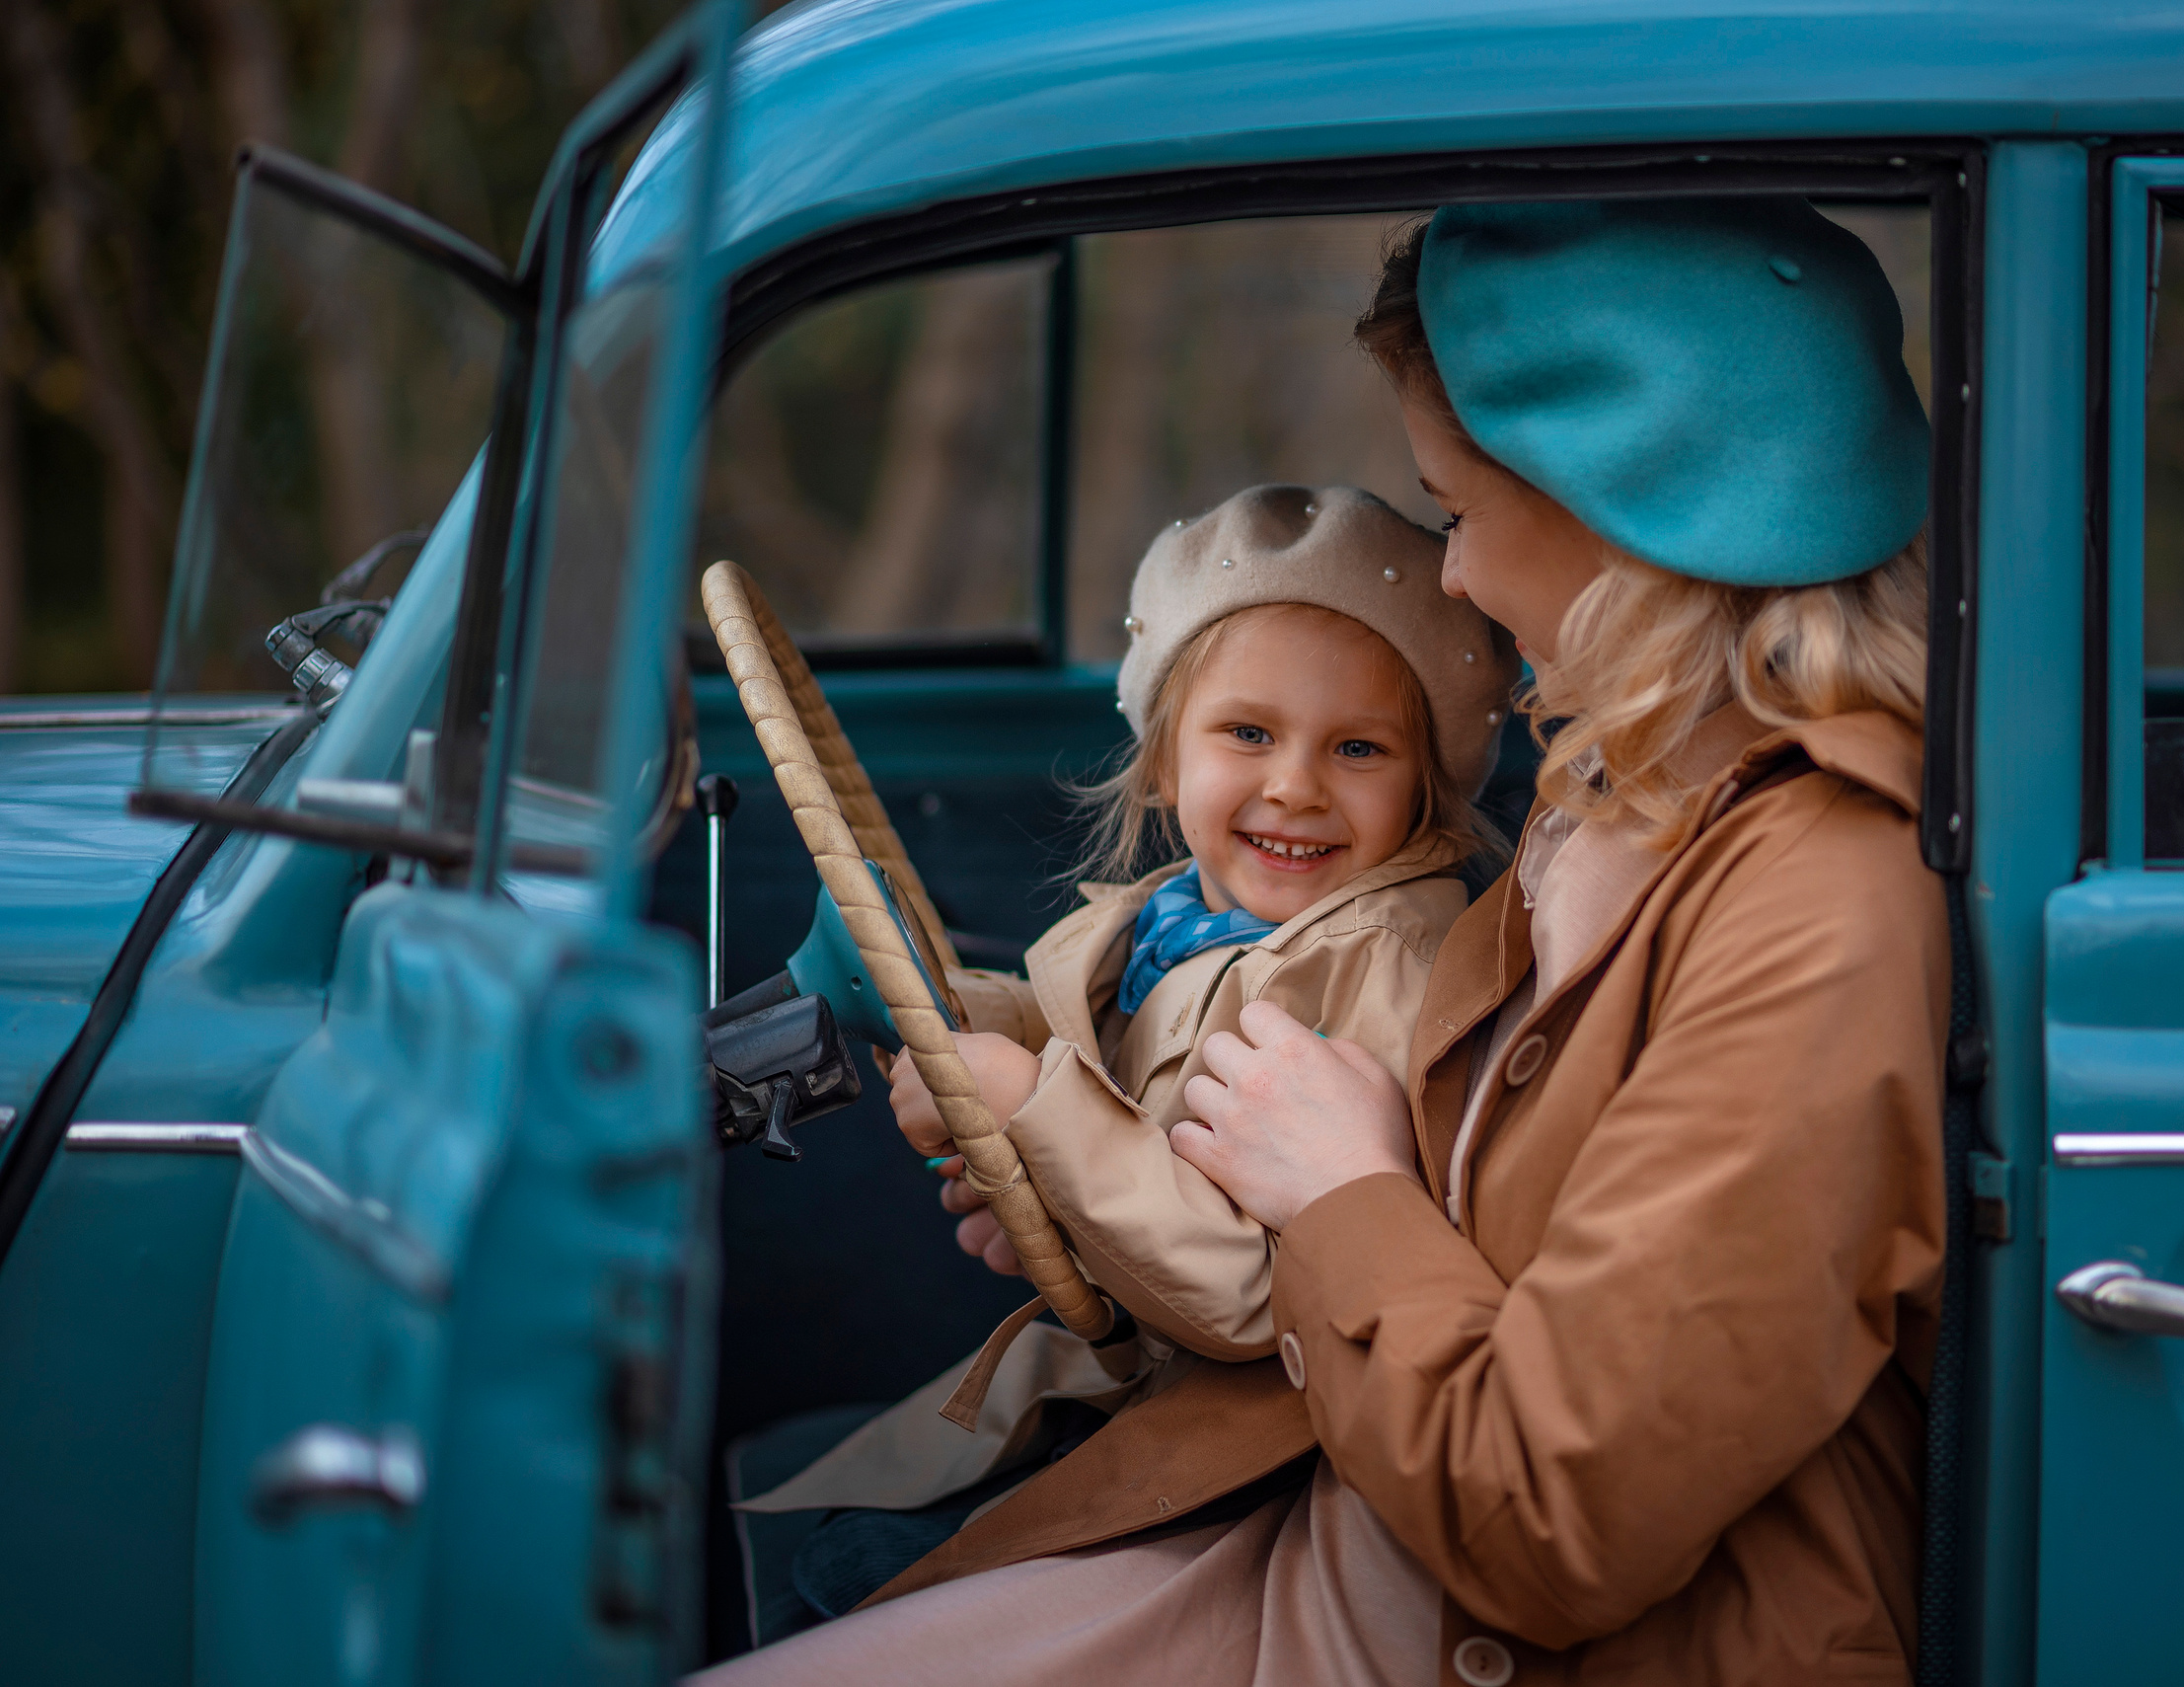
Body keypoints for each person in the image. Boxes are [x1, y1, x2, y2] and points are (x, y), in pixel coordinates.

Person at [696, 194, 1949, 1687]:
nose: (1462, 578)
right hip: (1328, 1481)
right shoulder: (1625, 785)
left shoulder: (1823, 903)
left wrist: (1342, 1184)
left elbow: (1553, 1518)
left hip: (1492, 1615)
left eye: (1462, 510)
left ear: (1629, 507)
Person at [731, 482, 1518, 1620]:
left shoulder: (1378, 962)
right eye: (1248, 732)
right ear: (1163, 758)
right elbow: (1092, 1043)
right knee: (841, 1550)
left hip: (1257, 1443)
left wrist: (1032, 1107)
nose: (1294, 783)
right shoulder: (1180, 914)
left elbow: (1259, 1289)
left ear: (1424, 788)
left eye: (1356, 747)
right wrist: (975, 1031)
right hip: (1139, 1377)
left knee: (848, 1582)